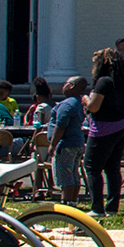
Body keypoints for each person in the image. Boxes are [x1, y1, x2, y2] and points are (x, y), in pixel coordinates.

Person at [83, 47, 124, 216]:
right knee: (113, 168)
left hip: (102, 129)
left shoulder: (103, 82)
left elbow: (94, 106)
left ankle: (96, 207)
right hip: (120, 127)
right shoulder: (122, 82)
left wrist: (85, 99)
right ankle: (112, 207)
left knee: (92, 167)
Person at [49, 77, 88, 205]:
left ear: (71, 86)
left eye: (65, 83)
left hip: (66, 143)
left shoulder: (66, 104)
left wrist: (53, 144)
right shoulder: (78, 103)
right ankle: (73, 201)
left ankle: (66, 201)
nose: (63, 86)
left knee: (65, 174)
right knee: (74, 172)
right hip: (78, 143)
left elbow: (60, 126)